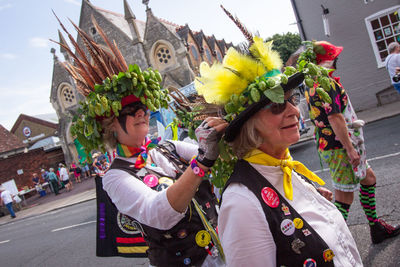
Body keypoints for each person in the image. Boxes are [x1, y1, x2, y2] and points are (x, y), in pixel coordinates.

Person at [56, 17, 226, 266]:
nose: (142, 113)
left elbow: (218, 157)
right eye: (131, 109)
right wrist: (202, 161)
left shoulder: (167, 148)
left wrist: (222, 130)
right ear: (110, 124)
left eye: (144, 107)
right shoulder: (115, 177)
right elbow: (159, 213)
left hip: (224, 252)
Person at [195, 12, 360, 263]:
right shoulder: (241, 205)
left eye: (292, 100)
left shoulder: (284, 167)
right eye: (276, 106)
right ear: (249, 125)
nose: (294, 111)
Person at [305, 40, 400, 244]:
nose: (337, 58)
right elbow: (335, 117)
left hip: (331, 144)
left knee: (368, 178)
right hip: (339, 146)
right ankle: (333, 244)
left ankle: (375, 227)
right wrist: (349, 148)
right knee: (344, 196)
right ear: (327, 60)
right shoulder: (326, 83)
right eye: (334, 56)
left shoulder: (313, 83)